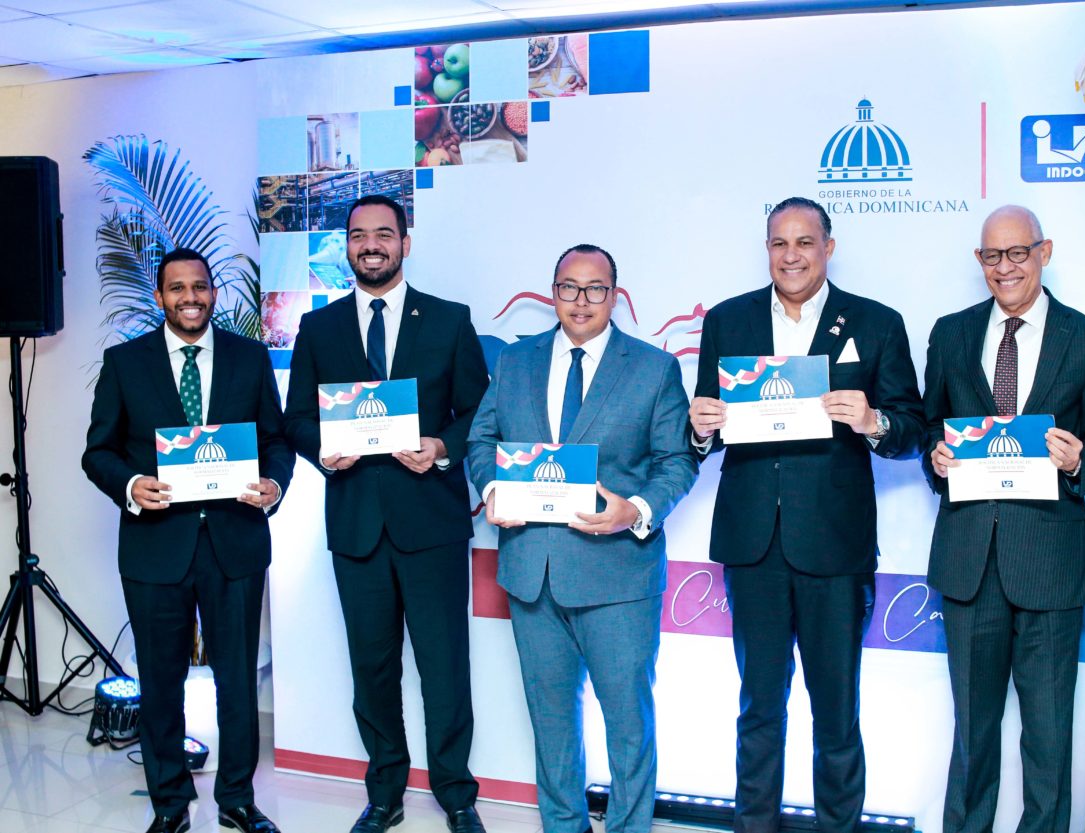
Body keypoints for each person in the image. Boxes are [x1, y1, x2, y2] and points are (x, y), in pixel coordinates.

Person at [688, 197, 924, 833]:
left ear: (828, 247)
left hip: (835, 546)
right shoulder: (728, 321)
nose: (790, 256)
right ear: (766, 249)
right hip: (753, 545)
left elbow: (912, 427)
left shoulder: (876, 323)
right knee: (758, 709)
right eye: (778, 243)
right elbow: (705, 428)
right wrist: (700, 428)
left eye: (804, 242)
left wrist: (874, 421)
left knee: (837, 713)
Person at [467, 244, 697, 833]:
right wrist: (492, 489)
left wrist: (636, 510)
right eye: (569, 287)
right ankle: (563, 825)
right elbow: (481, 440)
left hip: (618, 573)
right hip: (533, 573)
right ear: (553, 293)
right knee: (551, 724)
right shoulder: (515, 362)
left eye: (595, 288)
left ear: (615, 296)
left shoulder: (653, 367)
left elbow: (677, 462)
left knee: (627, 724)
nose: (581, 300)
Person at [283, 195, 490, 833]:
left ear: (405, 242)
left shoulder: (450, 320)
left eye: (383, 234)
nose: (370, 245)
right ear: (346, 246)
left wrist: (442, 447)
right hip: (357, 527)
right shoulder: (318, 328)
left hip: (432, 524)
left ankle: (457, 794)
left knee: (444, 666)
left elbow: (478, 412)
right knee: (371, 669)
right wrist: (323, 449)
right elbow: (296, 418)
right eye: (358, 235)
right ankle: (384, 793)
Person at [82, 248, 294, 833]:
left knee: (237, 680)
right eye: (177, 288)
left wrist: (274, 483)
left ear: (213, 293)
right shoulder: (125, 363)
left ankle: (237, 800)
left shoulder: (249, 358)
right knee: (160, 681)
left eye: (199, 286)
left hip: (235, 542)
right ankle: (170, 804)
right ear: (160, 297)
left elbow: (275, 440)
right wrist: (131, 485)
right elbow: (97, 452)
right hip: (155, 546)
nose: (190, 297)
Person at [922, 205, 1085, 833]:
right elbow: (930, 426)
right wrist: (936, 457)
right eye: (991, 256)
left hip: (1049, 564)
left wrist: (1080, 459)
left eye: (1017, 253)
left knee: (1049, 738)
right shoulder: (951, 333)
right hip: (969, 560)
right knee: (971, 735)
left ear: (1044, 252)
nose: (1004, 268)